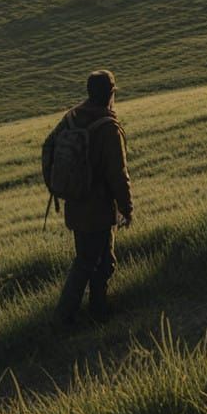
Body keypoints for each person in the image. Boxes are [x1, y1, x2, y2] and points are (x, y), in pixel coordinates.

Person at [54, 69, 133, 326]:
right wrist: (127, 207)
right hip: (99, 207)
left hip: (74, 204)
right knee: (94, 262)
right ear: (111, 94)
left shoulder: (72, 118)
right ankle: (66, 318)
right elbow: (118, 173)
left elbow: (51, 151)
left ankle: (96, 311)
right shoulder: (108, 127)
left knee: (91, 260)